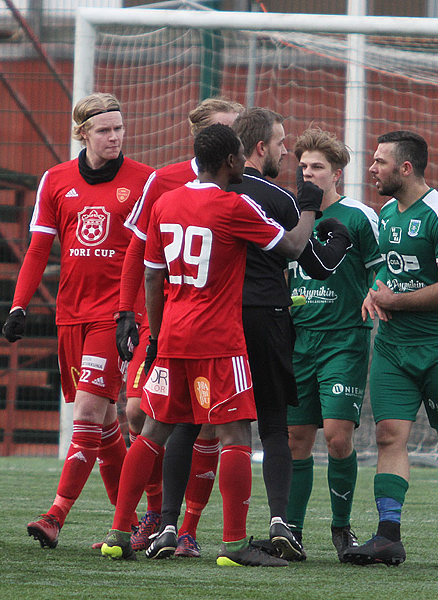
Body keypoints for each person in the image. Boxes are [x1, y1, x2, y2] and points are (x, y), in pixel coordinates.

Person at [100, 123, 323, 567]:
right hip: (219, 340)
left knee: (154, 431)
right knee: (236, 433)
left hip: (173, 333)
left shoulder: (166, 202)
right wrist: (310, 205)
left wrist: (158, 335)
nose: (246, 162)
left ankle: (119, 533)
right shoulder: (232, 205)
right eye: (241, 155)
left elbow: (150, 274)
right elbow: (296, 246)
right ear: (229, 162)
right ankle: (235, 546)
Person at [143, 111, 352, 561]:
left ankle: (164, 524)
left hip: (196, 323)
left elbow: (149, 272)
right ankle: (278, 525)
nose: (284, 151)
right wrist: (329, 226)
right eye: (280, 143)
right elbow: (309, 257)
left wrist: (152, 334)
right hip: (259, 320)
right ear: (257, 149)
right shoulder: (275, 196)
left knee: (184, 423)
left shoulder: (188, 195)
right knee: (272, 426)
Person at [3, 93, 154, 550]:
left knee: (86, 414)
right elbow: (37, 249)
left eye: (120, 128)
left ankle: (56, 514)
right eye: (105, 129)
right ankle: (132, 524)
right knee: (105, 423)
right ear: (82, 133)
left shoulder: (145, 180)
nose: (116, 137)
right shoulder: (56, 179)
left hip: (118, 316)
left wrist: (135, 313)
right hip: (71, 315)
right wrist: (18, 305)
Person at [344, 130, 438, 568]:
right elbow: (386, 271)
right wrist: (374, 291)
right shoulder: (386, 213)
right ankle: (388, 536)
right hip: (392, 347)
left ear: (405, 168)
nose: (371, 168)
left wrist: (393, 301)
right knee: (388, 436)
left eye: (380, 161)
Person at [115, 97, 243, 552]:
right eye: (229, 131)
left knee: (207, 426)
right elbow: (139, 249)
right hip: (165, 320)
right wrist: (127, 312)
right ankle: (153, 518)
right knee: (138, 413)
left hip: (212, 323)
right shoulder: (165, 181)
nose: (237, 141)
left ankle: (185, 528)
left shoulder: (242, 189)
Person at [285, 127, 383, 562]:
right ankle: (291, 532)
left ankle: (342, 529)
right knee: (295, 438)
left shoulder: (360, 217)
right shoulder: (288, 214)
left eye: (317, 167)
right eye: (303, 166)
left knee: (337, 437)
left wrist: (374, 291)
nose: (308, 173)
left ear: (336, 173)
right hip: (298, 340)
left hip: (344, 338)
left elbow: (384, 269)